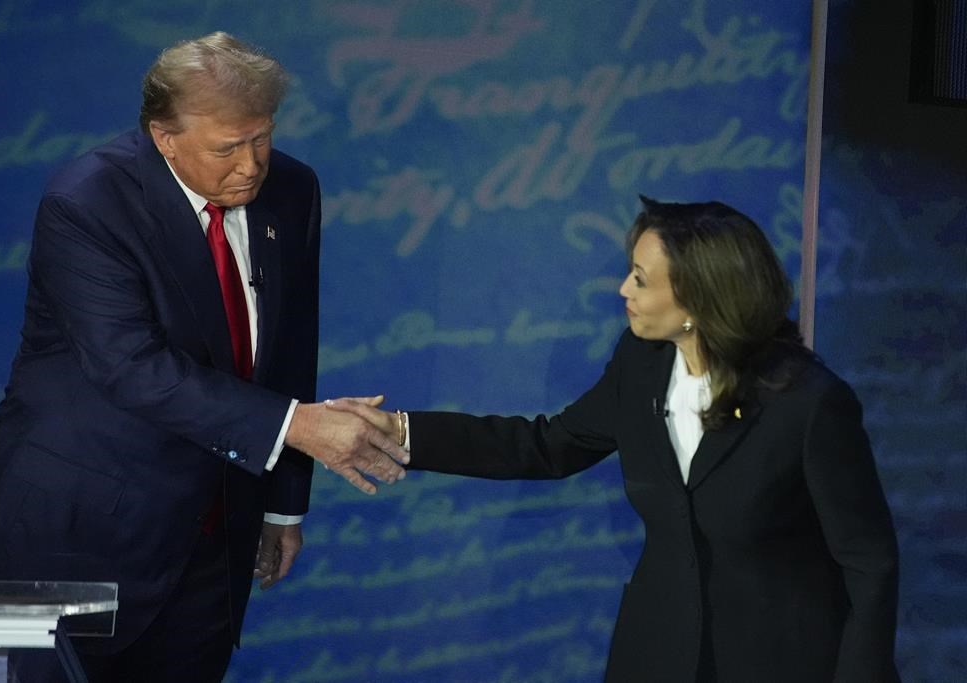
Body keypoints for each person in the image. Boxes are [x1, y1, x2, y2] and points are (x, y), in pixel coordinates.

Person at [0, 32, 407, 682]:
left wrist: (281, 507)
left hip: (209, 544)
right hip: (57, 532)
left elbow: (287, 349)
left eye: (262, 137)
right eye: (228, 147)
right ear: (165, 137)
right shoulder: (85, 202)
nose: (251, 164)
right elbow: (130, 365)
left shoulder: (293, 189)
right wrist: (299, 426)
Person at [331, 197, 901, 682]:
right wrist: (403, 429)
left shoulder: (808, 403)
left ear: (700, 301)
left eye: (642, 279)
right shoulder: (641, 362)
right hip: (656, 652)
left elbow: (869, 563)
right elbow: (548, 446)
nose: (623, 288)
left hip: (780, 660)